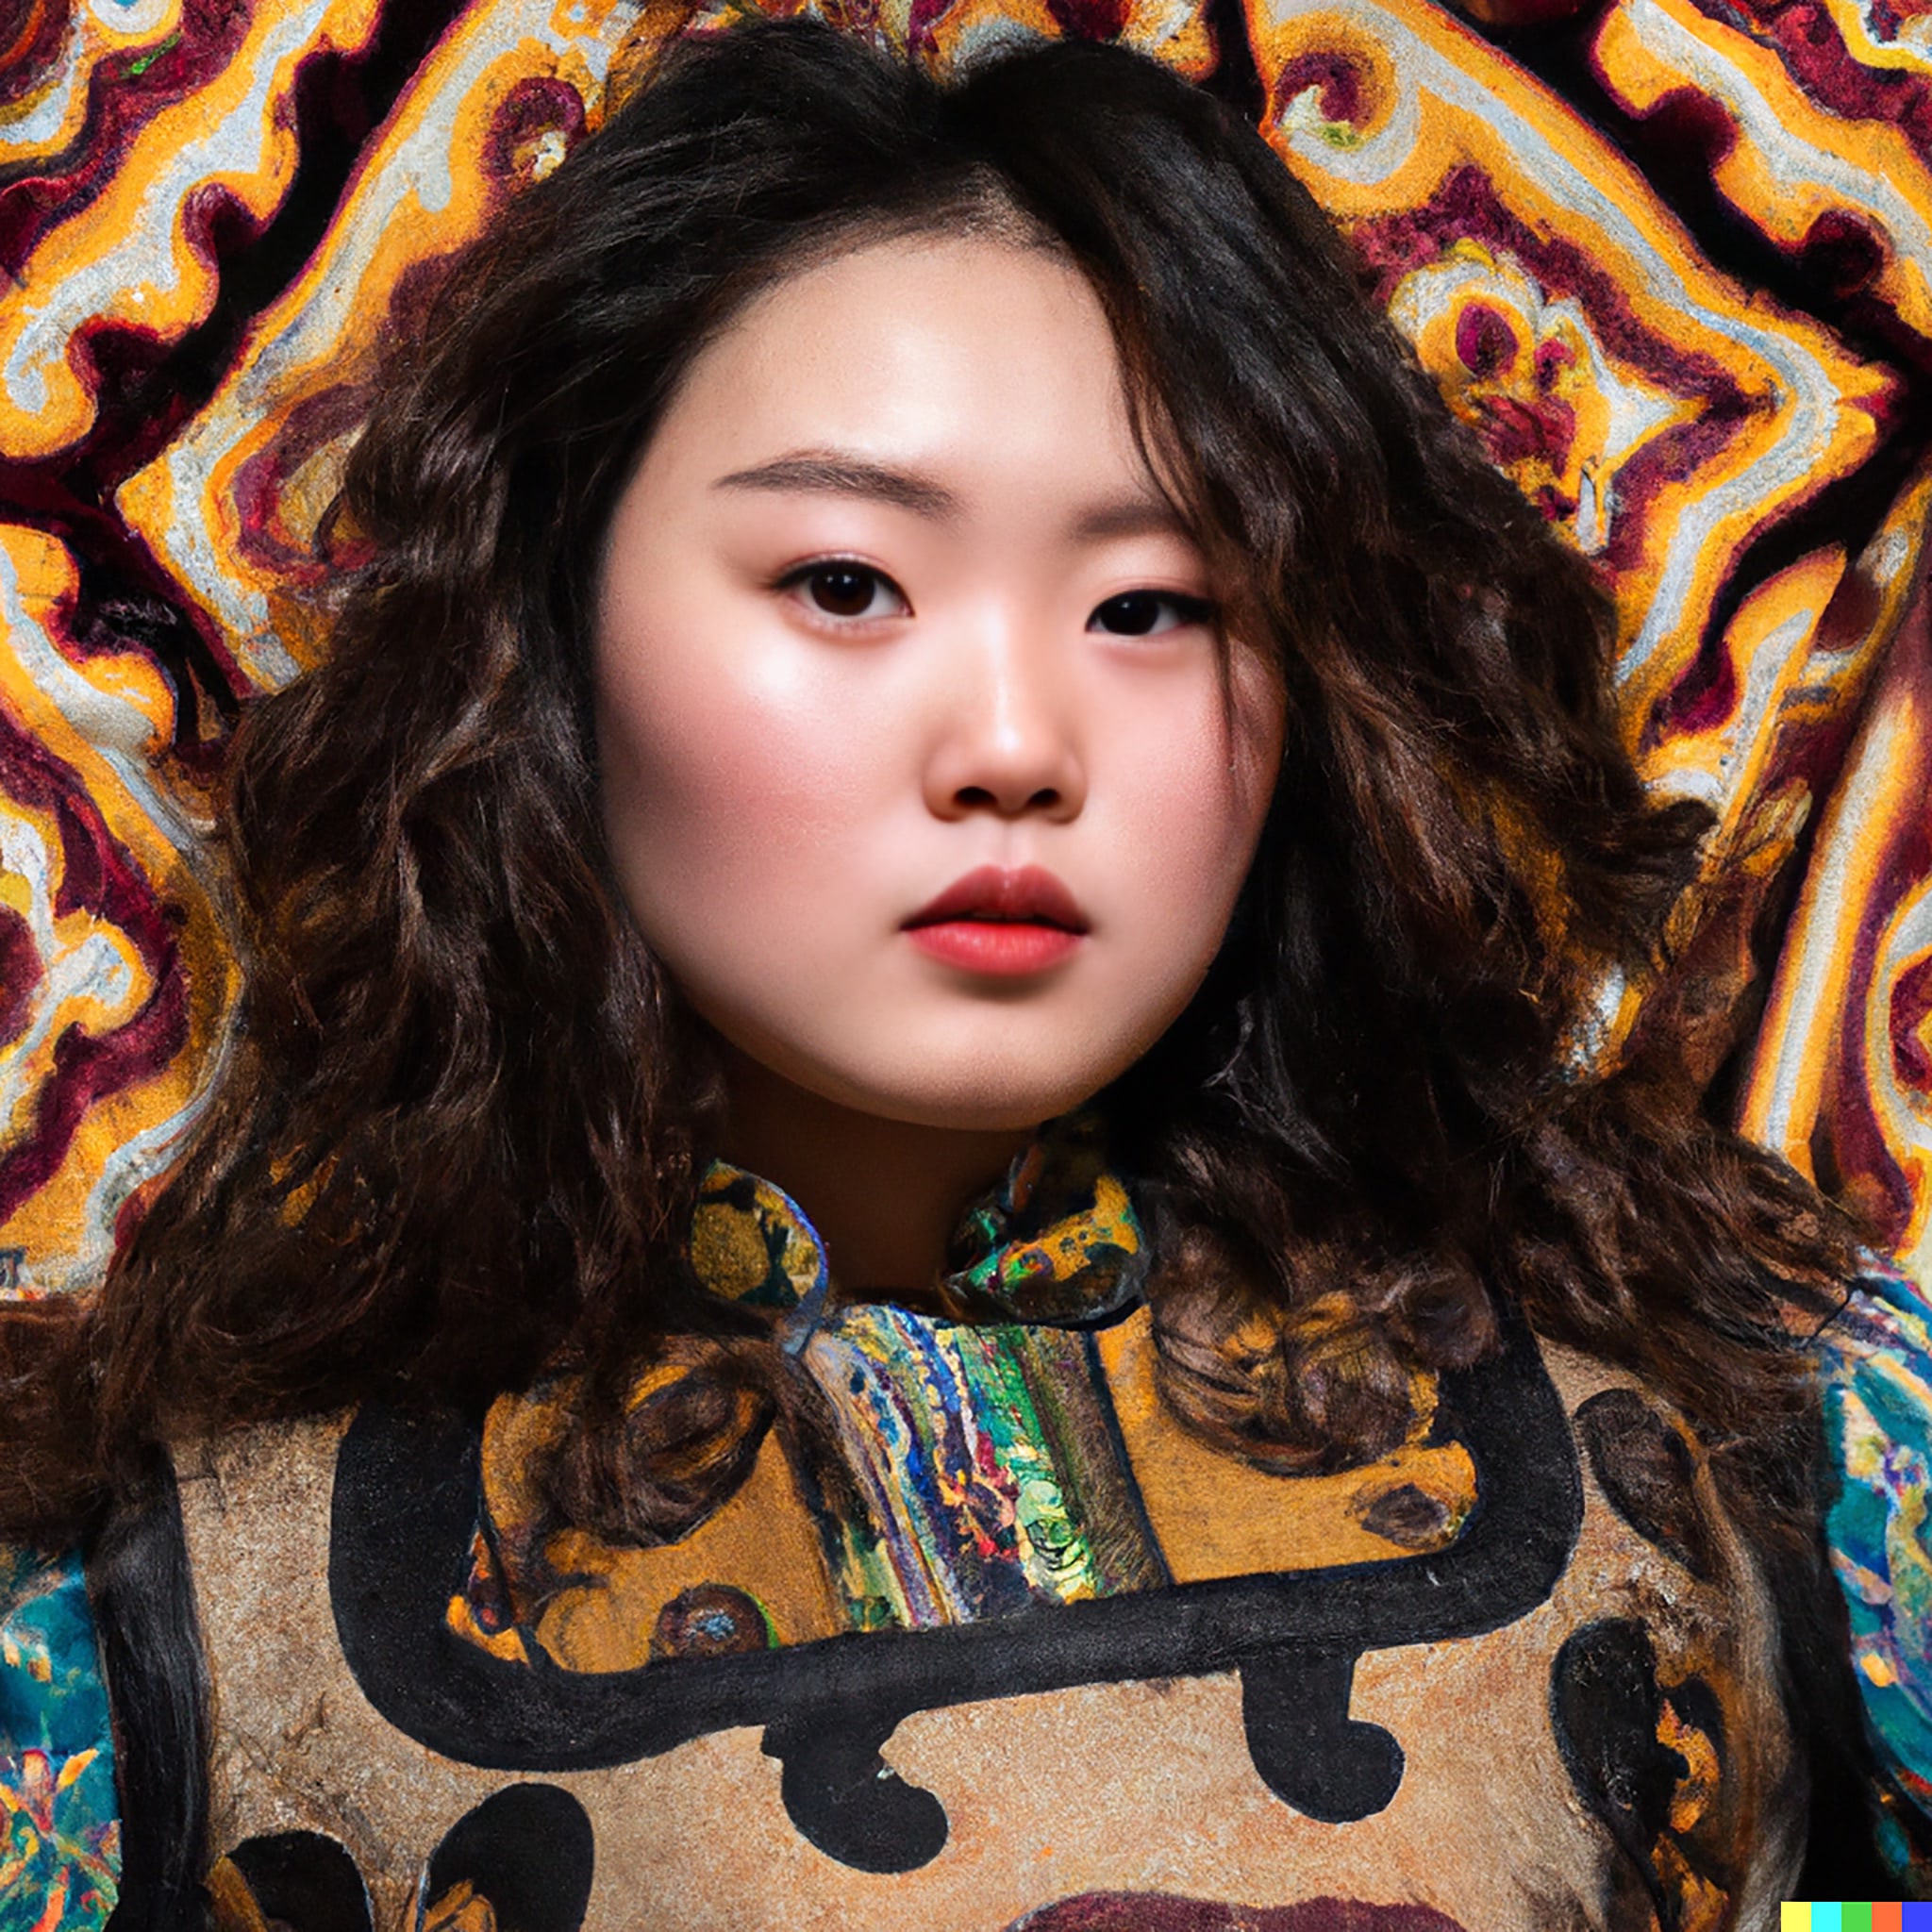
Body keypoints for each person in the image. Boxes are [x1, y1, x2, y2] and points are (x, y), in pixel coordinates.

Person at [2, 16, 1927, 1927]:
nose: (1014, 743)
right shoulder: (153, 1617)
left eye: (1150, 606)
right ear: (550, 632)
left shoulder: (1754, 1442)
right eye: (846, 584)